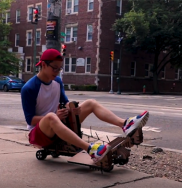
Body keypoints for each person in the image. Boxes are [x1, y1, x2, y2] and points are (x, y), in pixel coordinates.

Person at [21, 48, 149, 163]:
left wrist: (72, 109)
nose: (57, 72)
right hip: (39, 133)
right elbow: (30, 120)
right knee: (50, 117)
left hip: (57, 124)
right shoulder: (29, 88)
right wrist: (56, 116)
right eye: (55, 68)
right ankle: (91, 150)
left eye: (59, 68)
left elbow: (65, 102)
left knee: (90, 103)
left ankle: (125, 124)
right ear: (43, 64)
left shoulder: (57, 81)